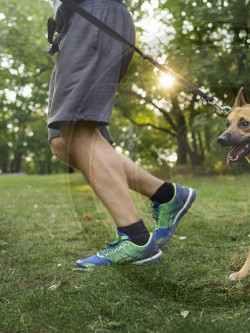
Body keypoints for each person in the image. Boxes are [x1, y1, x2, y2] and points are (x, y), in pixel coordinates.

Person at [46, 0, 196, 269]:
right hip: (76, 23)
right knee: (61, 140)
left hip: (91, 13)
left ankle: (135, 238)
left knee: (76, 128)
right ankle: (166, 195)